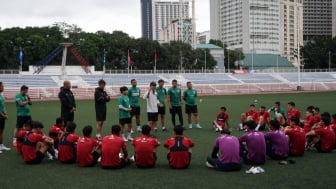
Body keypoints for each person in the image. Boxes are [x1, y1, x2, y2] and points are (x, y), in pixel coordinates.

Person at [0, 82, 10, 152]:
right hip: (0, 116)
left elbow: (3, 106)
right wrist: (3, 115)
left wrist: (6, 114)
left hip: (2, 117)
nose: (3, 87)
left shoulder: (1, 96)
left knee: (1, 132)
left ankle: (1, 145)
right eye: (2, 86)